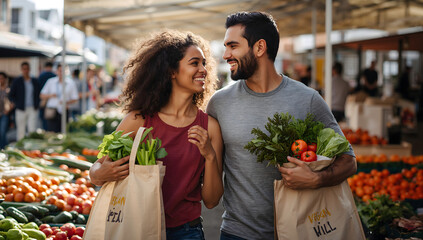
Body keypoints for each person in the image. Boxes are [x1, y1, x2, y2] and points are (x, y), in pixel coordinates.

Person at [206, 12, 357, 239]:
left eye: (233, 46)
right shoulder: (219, 103)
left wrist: (317, 179)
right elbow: (210, 184)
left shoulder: (308, 99)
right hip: (237, 233)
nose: (226, 54)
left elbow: (349, 160)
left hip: (300, 231)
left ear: (259, 48)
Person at [89, 30, 223, 239]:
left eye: (204, 63)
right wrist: (99, 173)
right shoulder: (139, 120)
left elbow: (212, 201)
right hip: (137, 227)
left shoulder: (210, 127)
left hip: (187, 231)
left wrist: (210, 155)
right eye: (195, 63)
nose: (203, 70)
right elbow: (97, 169)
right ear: (171, 71)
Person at [40, 64, 79, 132]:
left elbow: (75, 98)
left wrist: (66, 102)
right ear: (57, 71)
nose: (61, 73)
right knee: (51, 132)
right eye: (60, 71)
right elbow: (42, 95)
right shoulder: (50, 81)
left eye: (63, 71)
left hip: (64, 110)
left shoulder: (70, 83)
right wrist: (51, 95)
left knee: (64, 131)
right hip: (52, 110)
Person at [8, 62, 41, 141]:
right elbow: (11, 95)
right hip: (21, 108)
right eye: (24, 69)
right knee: (21, 129)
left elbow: (39, 93)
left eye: (27, 69)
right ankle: (21, 146)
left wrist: (37, 103)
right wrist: (15, 103)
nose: (25, 71)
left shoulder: (34, 81)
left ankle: (31, 148)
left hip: (32, 108)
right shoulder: (17, 81)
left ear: (29, 69)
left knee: (32, 129)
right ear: (21, 70)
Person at [0, 72, 11, 149]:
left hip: (5, 114)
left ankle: (5, 148)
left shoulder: (9, 90)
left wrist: (9, 110)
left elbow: (13, 102)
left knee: (2, 132)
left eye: (2, 78)